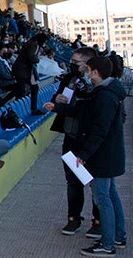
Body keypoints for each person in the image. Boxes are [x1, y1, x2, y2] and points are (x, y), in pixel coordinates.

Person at [66, 56, 128, 257]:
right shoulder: (106, 93)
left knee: (103, 198)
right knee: (111, 195)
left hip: (103, 156)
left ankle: (107, 244)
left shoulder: (105, 97)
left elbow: (100, 130)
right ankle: (118, 236)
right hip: (108, 153)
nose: (86, 72)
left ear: (95, 72)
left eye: (88, 69)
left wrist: (84, 154)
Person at [43, 47, 100, 236]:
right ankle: (73, 219)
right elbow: (58, 99)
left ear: (89, 64)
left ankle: (98, 222)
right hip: (71, 137)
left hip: (90, 140)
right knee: (73, 182)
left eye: (77, 63)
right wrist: (57, 100)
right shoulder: (69, 79)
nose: (73, 65)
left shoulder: (97, 84)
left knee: (94, 181)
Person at [12, 32, 49, 115]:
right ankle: (19, 110)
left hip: (23, 71)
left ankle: (31, 109)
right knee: (22, 90)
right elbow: (32, 57)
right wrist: (38, 58)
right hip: (22, 71)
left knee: (29, 89)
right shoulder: (33, 45)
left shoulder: (31, 43)